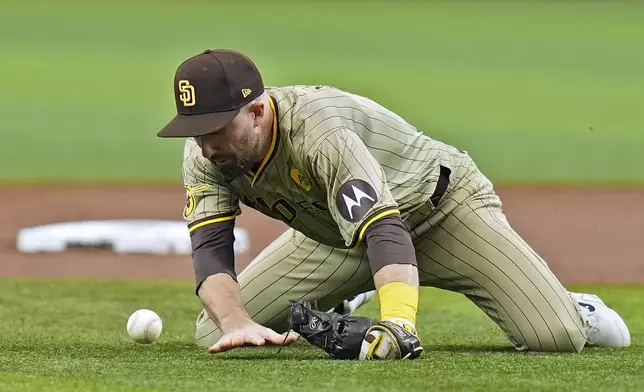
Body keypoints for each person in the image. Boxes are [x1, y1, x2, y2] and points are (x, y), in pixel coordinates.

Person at [157, 48, 630, 359]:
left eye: (216, 128)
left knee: (557, 337)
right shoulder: (207, 155)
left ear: (258, 110)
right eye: (196, 131)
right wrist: (237, 321)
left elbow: (386, 228)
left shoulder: (320, 133)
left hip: (441, 214)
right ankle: (350, 292)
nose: (205, 145)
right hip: (340, 239)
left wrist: (398, 324)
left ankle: (571, 304)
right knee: (218, 331)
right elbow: (210, 247)